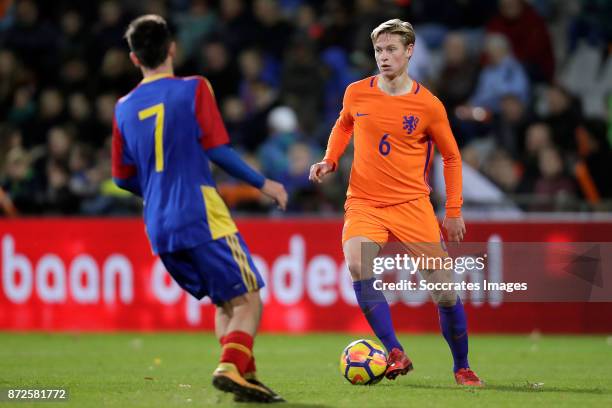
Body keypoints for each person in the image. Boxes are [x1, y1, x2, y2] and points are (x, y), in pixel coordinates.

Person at [111, 15, 287, 403]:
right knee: (250, 298)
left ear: (134, 58)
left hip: (158, 225)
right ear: (172, 49)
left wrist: (158, 191)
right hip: (200, 213)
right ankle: (229, 366)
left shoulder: (123, 108)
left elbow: (122, 178)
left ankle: (246, 378)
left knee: (227, 301)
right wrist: (264, 183)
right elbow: (217, 149)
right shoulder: (193, 88)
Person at [309, 19, 482, 386]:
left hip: (412, 205)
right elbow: (343, 125)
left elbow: (451, 157)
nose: (384, 57)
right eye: (379, 50)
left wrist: (452, 212)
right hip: (364, 202)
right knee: (357, 263)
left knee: (445, 291)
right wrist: (330, 159)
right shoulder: (357, 92)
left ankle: (462, 366)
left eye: (391, 50)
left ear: (409, 52)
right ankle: (393, 351)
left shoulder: (428, 105)